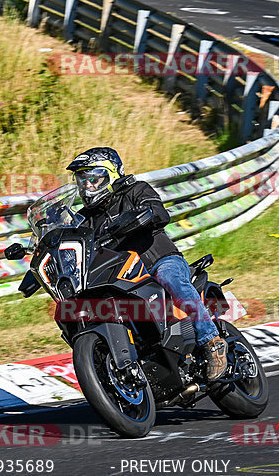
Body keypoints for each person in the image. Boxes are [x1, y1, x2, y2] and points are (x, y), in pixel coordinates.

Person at [66, 147, 228, 381]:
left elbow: (159, 213)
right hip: (120, 277)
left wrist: (145, 214)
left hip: (157, 261)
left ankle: (212, 341)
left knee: (169, 277)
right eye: (82, 180)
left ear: (111, 174)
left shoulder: (135, 190)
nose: (87, 186)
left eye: (93, 178)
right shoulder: (84, 218)